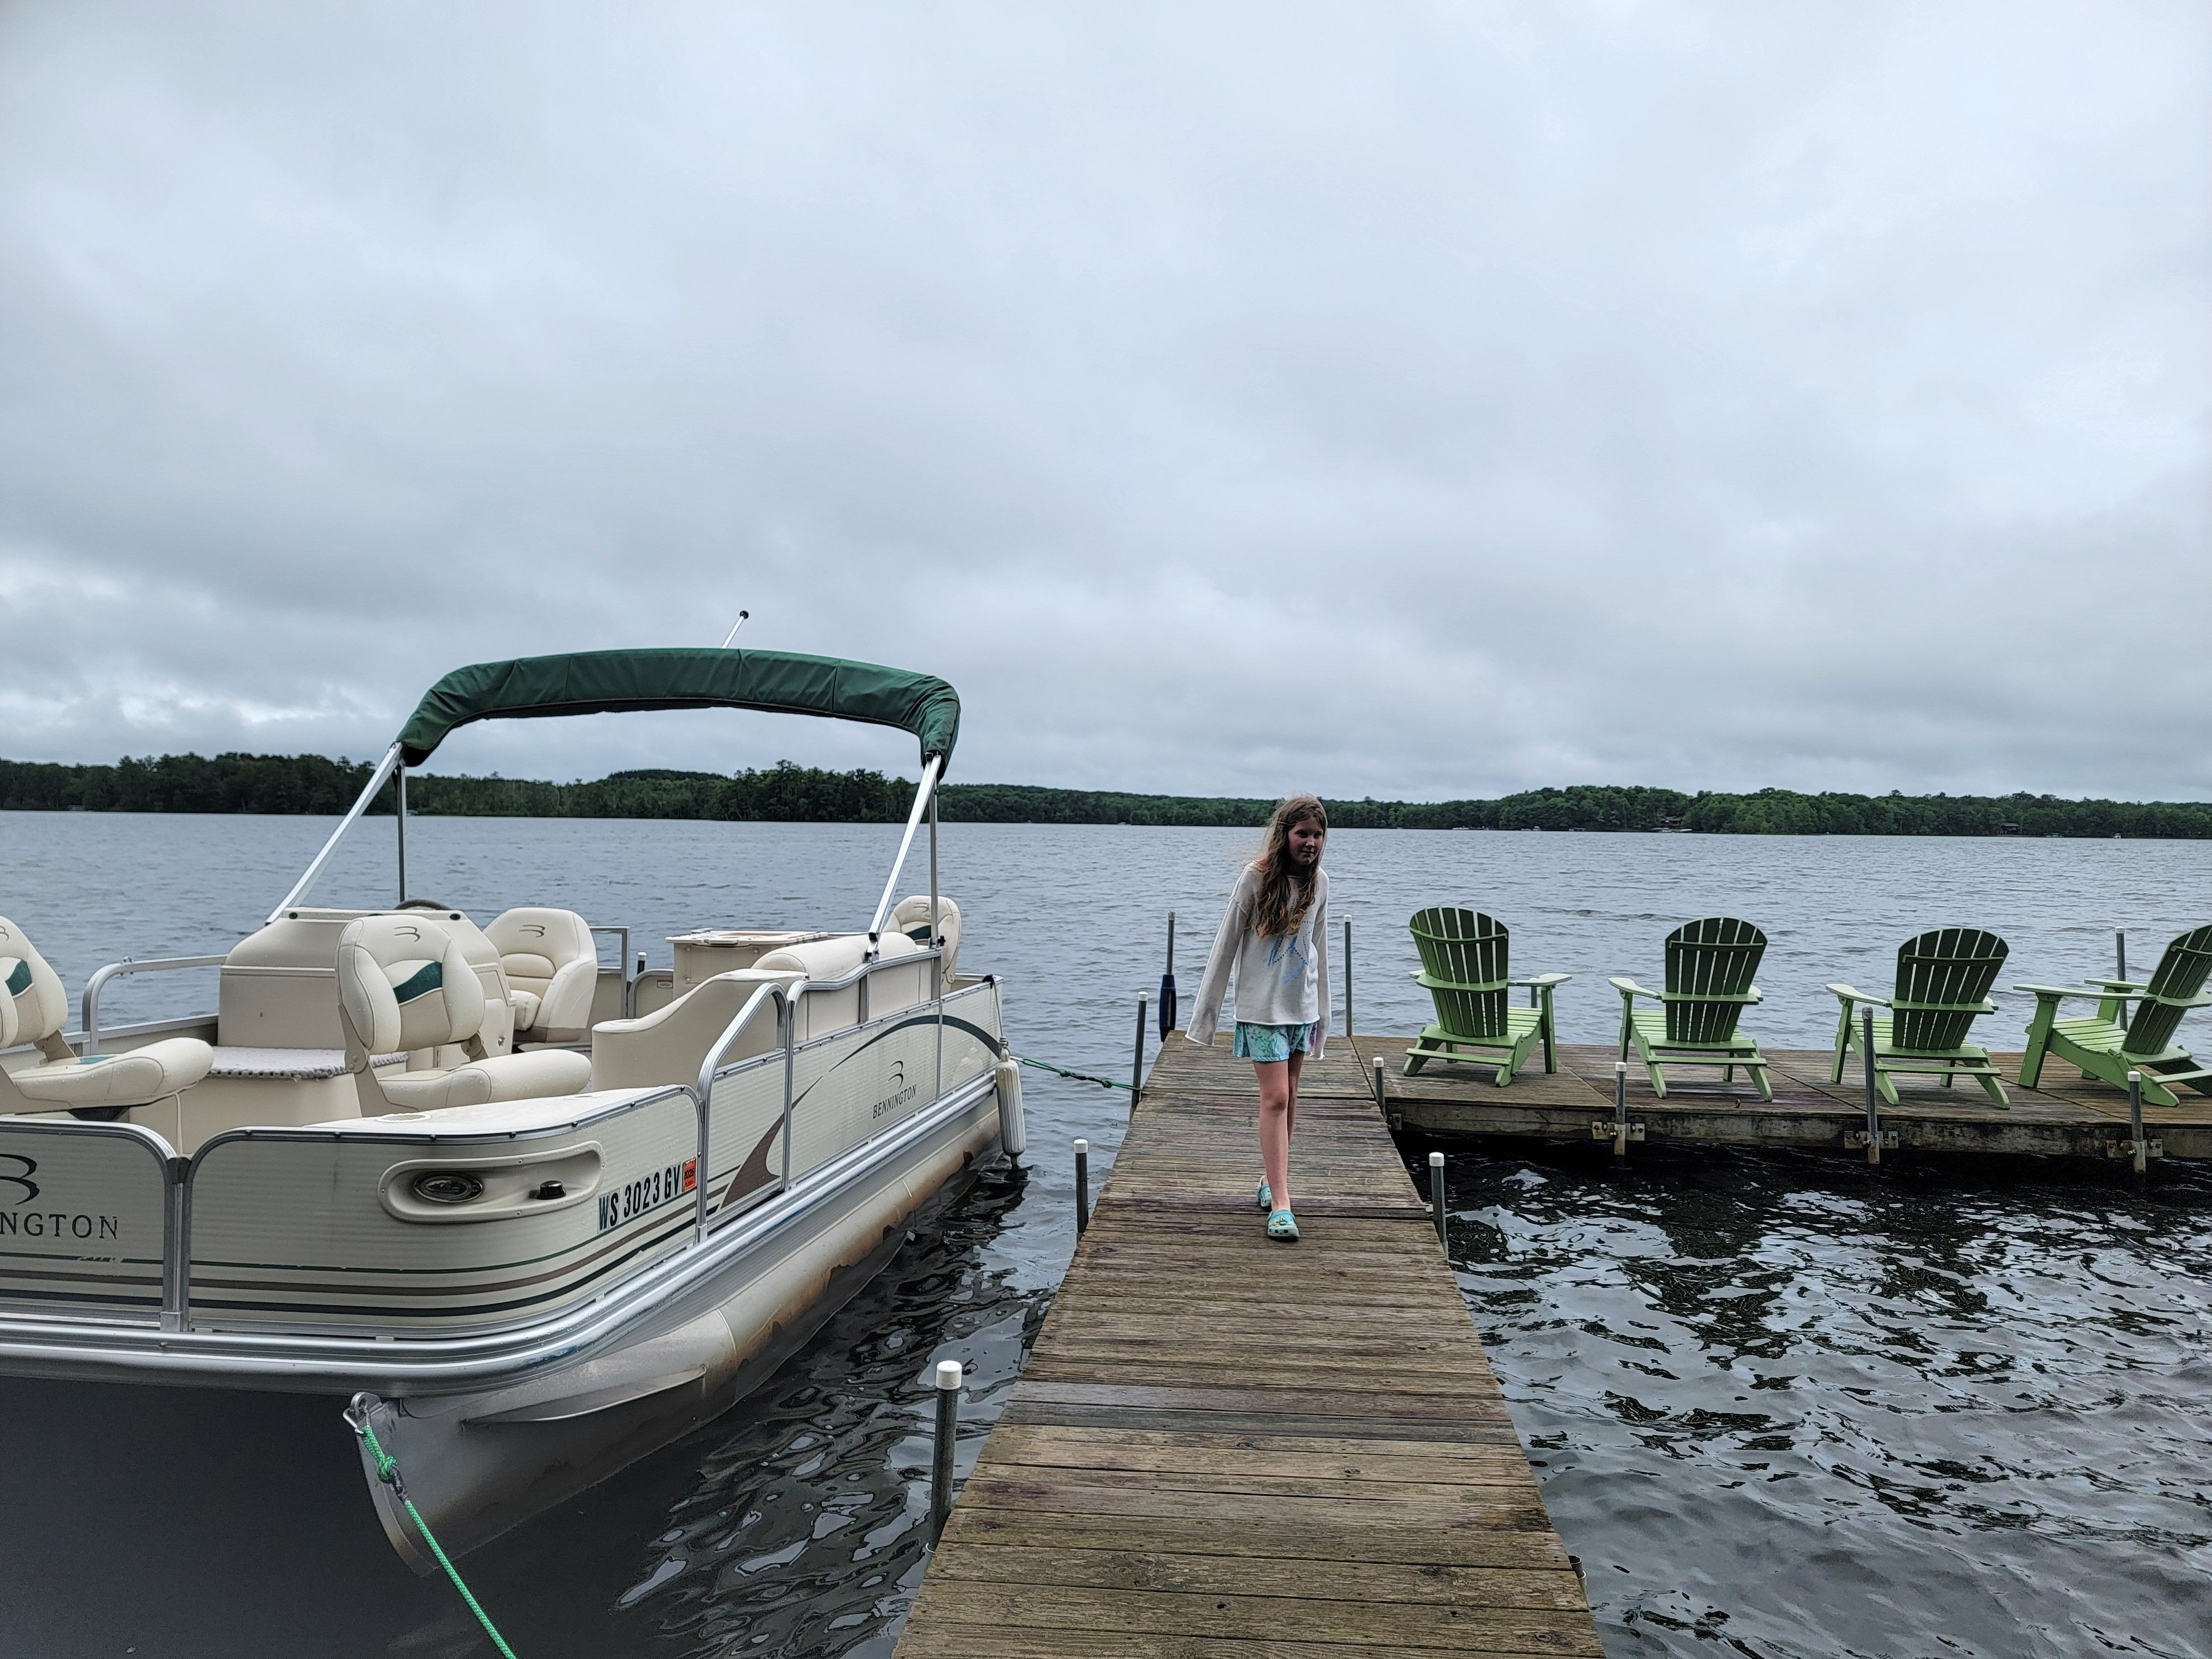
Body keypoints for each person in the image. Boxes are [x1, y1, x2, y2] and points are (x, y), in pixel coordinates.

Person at [1186, 795, 1330, 1243]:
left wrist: (1323, 1018)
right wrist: (1205, 1020)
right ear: (1285, 834)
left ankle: (1272, 1181)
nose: (1310, 842)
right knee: (1276, 1099)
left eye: (1318, 834)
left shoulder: (1320, 882)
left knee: (1290, 1095)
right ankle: (1283, 1203)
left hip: (1300, 1009)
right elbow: (1224, 947)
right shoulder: (1256, 878)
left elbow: (1321, 951)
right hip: (1261, 1010)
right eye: (1303, 833)